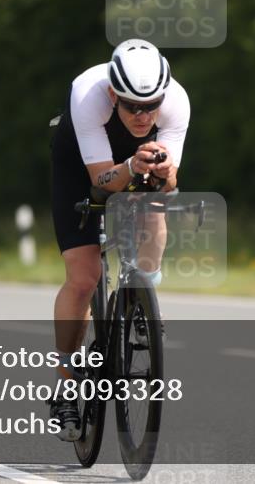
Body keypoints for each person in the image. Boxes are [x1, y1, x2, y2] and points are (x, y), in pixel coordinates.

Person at [48, 39, 190, 440]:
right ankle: (63, 385)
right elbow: (100, 183)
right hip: (81, 165)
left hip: (136, 161)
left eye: (152, 105)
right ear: (114, 95)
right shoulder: (88, 95)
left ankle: (143, 297)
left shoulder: (177, 101)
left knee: (154, 208)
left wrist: (164, 175)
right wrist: (130, 164)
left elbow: (171, 182)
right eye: (132, 106)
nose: (144, 116)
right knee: (84, 276)